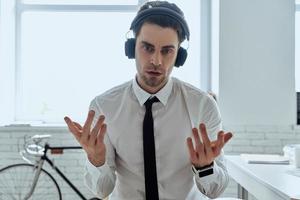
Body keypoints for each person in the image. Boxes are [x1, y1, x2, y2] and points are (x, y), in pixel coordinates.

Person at [64, 1, 233, 200]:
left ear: (180, 55)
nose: (156, 61)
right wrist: (96, 160)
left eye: (167, 50)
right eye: (147, 47)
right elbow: (102, 191)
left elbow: (215, 191)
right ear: (131, 47)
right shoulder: (104, 107)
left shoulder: (203, 106)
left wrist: (205, 167)